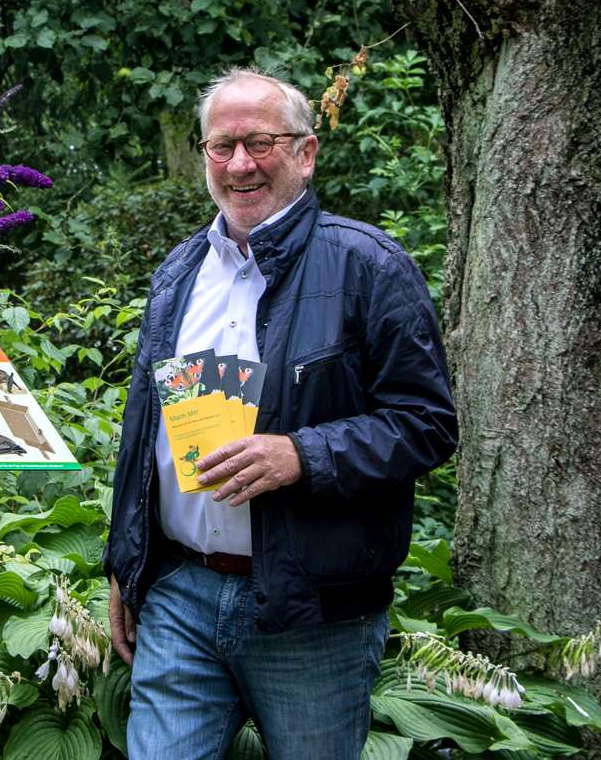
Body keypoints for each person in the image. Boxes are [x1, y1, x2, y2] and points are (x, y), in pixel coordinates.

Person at [105, 68, 458, 759]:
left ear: (306, 152)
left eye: (260, 142)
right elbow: (141, 430)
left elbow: (426, 423)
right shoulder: (179, 274)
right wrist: (125, 561)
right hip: (181, 592)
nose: (240, 163)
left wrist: (302, 454)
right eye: (222, 145)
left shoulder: (370, 266)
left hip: (311, 614)